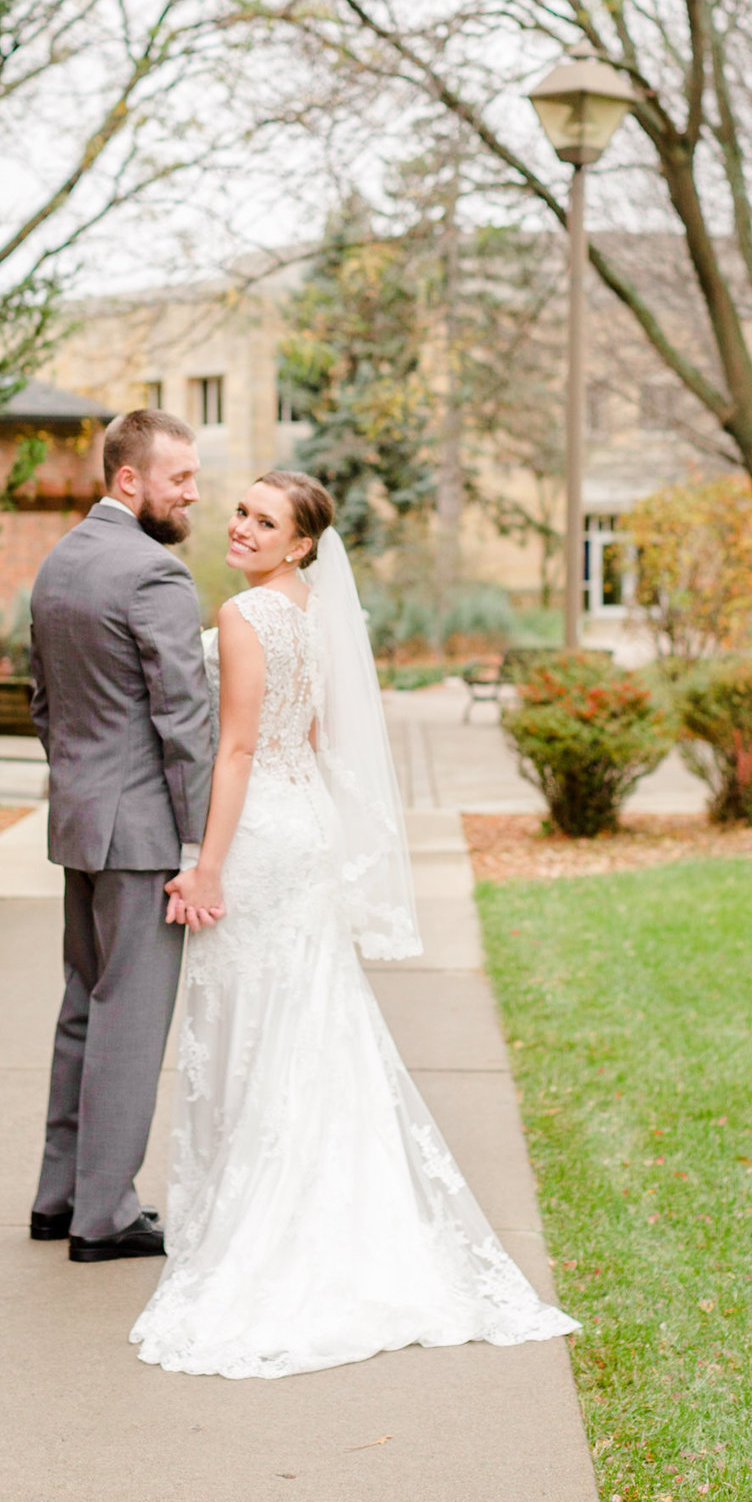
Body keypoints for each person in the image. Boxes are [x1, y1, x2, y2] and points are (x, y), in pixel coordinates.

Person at [131, 470, 580, 1376]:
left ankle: (261, 1226)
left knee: (254, 1024)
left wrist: (206, 861)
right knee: (307, 1019)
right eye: (243, 513)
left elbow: (240, 746)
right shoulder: (318, 614)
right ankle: (329, 1208)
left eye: (266, 522)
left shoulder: (247, 617)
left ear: (302, 543)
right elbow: (324, 739)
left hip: (259, 834)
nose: (243, 528)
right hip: (306, 828)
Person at [27, 409, 217, 1263]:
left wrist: (81, 787)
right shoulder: (155, 575)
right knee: (130, 1024)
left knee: (83, 1010)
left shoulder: (60, 561)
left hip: (79, 822)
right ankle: (103, 1218)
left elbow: (44, 705)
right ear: (130, 479)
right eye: (181, 479)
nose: (194, 495)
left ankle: (58, 1198)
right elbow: (184, 720)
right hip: (141, 836)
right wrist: (202, 848)